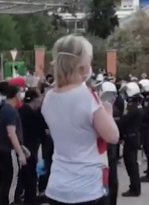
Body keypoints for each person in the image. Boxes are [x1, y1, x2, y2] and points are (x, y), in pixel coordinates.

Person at [41, 35, 119, 205]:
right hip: (87, 188)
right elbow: (112, 136)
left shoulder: (48, 98)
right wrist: (108, 111)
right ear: (82, 64)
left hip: (57, 185)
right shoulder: (87, 97)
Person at [0, 85, 25, 205]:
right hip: (10, 151)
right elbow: (11, 133)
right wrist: (20, 153)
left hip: (4, 149)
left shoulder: (4, 108)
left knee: (5, 181)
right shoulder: (10, 111)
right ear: (15, 95)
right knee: (11, 182)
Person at [17, 89, 43, 205]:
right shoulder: (33, 114)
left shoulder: (20, 110)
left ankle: (21, 196)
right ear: (35, 99)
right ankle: (30, 199)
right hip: (30, 146)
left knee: (22, 173)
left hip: (22, 145)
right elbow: (39, 130)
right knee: (30, 173)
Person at [119, 82, 142, 197]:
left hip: (131, 137)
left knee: (131, 164)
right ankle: (134, 186)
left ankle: (135, 188)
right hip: (133, 136)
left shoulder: (132, 107)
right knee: (132, 163)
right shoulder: (136, 105)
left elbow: (124, 121)